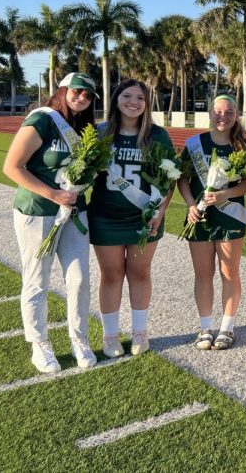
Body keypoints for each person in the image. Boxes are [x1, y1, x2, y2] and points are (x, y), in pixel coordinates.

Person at [2, 72, 98, 373]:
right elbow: (11, 167)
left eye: (88, 94)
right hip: (37, 211)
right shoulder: (43, 119)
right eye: (77, 91)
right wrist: (52, 193)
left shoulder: (86, 129)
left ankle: (78, 338)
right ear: (63, 90)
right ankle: (39, 343)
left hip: (74, 214)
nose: (82, 97)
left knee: (80, 278)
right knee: (37, 279)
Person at [88, 79, 175, 358]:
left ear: (147, 104)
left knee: (139, 273)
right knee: (111, 274)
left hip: (144, 217)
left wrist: (160, 212)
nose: (133, 102)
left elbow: (169, 178)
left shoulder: (157, 135)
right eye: (127, 96)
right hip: (106, 215)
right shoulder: (101, 133)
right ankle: (110, 335)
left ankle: (140, 332)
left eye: (140, 97)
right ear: (116, 99)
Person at [177, 94, 246, 351]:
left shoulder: (243, 146)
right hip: (199, 217)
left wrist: (225, 194)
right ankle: (205, 327)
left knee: (229, 272)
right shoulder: (194, 144)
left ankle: (227, 327)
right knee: (203, 274)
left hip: (230, 214)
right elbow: (183, 179)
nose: (223, 116)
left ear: (236, 115)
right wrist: (191, 204)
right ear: (210, 113)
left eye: (229, 112)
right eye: (218, 111)